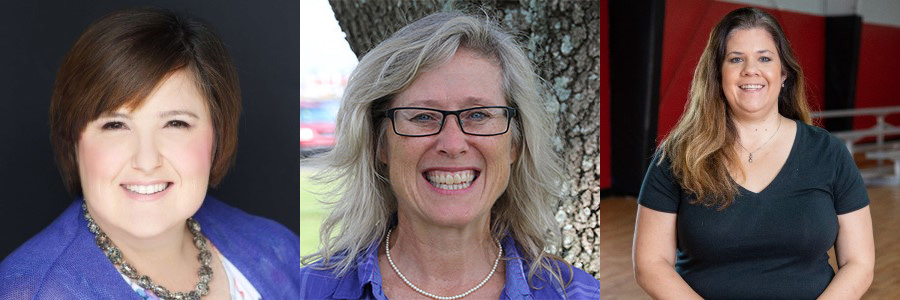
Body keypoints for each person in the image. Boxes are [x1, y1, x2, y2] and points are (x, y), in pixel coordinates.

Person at [0, 8, 301, 299]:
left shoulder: (279, 250)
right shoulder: (32, 291)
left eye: (175, 123)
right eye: (115, 125)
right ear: (73, 141)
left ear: (217, 135)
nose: (146, 161)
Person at [299, 11, 600, 299]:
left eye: (479, 115)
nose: (453, 143)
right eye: (422, 117)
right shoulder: (305, 291)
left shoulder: (578, 294)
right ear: (380, 143)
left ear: (514, 144)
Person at [633, 7, 874, 299]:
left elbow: (858, 263)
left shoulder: (829, 153)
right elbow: (650, 264)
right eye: (736, 59)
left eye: (764, 58)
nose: (751, 69)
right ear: (717, 73)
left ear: (783, 72)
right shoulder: (677, 156)